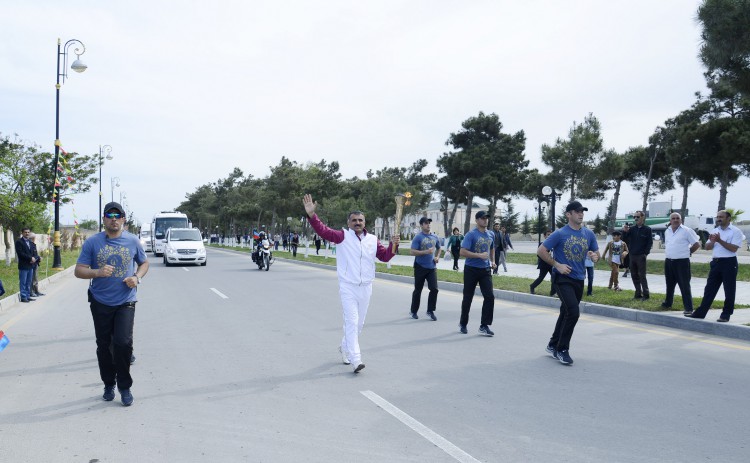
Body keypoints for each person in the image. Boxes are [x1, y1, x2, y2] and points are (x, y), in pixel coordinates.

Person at [303, 194, 399, 373]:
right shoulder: (342, 237)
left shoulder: (372, 240)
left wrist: (394, 247)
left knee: (359, 324)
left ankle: (345, 348)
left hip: (366, 287)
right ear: (348, 223)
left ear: (365, 222)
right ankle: (356, 360)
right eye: (354, 220)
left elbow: (384, 257)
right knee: (352, 322)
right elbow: (323, 231)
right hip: (348, 287)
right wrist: (312, 216)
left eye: (360, 220)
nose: (357, 222)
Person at [74, 202, 149, 406]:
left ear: (123, 219)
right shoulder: (93, 243)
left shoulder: (132, 241)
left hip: (126, 300)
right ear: (104, 219)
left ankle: (125, 387)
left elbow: (144, 263)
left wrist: (137, 277)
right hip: (100, 301)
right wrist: (97, 272)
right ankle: (109, 383)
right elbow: (79, 270)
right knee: (104, 346)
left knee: (123, 344)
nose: (114, 218)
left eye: (118, 215)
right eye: (110, 215)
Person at [538, 201, 600, 365]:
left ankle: (552, 344)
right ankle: (562, 349)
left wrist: (595, 256)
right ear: (568, 214)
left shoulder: (588, 234)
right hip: (562, 278)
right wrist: (557, 265)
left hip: (579, 279)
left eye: (582, 212)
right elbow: (541, 251)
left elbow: (596, 252)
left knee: (566, 312)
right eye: (577, 211)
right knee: (573, 312)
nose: (581, 214)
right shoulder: (560, 234)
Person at [686, 210, 745, 322]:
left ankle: (726, 314)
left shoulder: (735, 231)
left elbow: (733, 248)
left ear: (728, 219)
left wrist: (719, 240)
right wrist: (713, 242)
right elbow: (707, 247)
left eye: (721, 217)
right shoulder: (715, 230)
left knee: (729, 290)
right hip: (716, 263)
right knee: (709, 289)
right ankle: (700, 313)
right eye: (717, 217)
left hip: (729, 263)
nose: (718, 219)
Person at [459, 210, 497, 336]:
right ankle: (463, 323)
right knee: (468, 297)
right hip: (471, 269)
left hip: (485, 270)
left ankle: (484, 325)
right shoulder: (471, 235)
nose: (485, 220)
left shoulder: (491, 234)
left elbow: (491, 248)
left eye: (486, 218)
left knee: (490, 296)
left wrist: (493, 261)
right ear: (476, 220)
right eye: (482, 218)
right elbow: (462, 252)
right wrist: (478, 255)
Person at [662, 213, 701, 315]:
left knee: (684, 285)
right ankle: (668, 303)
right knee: (669, 284)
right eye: (673, 218)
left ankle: (688, 307)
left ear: (681, 219)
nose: (675, 220)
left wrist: (688, 252)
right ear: (670, 220)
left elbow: (697, 244)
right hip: (669, 261)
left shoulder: (687, 231)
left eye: (677, 218)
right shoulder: (668, 231)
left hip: (682, 262)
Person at [409, 217, 441, 321]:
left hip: (431, 267)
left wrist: (437, 257)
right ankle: (413, 311)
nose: (428, 225)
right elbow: (412, 251)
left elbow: (439, 248)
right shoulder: (418, 237)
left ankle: (430, 310)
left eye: (429, 223)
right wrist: (425, 252)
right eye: (426, 223)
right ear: (421, 225)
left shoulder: (434, 236)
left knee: (434, 289)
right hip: (420, 266)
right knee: (418, 290)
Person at [625, 211, 653, 300]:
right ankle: (637, 294)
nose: (636, 218)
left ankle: (646, 294)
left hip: (641, 255)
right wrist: (625, 231)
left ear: (642, 217)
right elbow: (625, 239)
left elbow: (649, 243)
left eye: (637, 216)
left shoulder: (647, 229)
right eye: (634, 217)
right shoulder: (632, 229)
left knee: (642, 275)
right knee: (634, 275)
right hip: (632, 255)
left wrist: (645, 253)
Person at [14, 227, 39, 303]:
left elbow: (34, 253)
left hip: (31, 265)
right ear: (22, 233)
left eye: (28, 232)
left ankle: (28, 295)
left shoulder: (30, 242)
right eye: (25, 232)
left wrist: (34, 258)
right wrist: (30, 258)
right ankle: (23, 297)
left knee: (29, 282)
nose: (27, 233)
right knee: (23, 282)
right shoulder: (19, 242)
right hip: (23, 265)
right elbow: (20, 253)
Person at [530, 229, 554, 295]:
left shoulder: (553, 244)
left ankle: (553, 292)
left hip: (551, 264)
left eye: (551, 235)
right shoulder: (542, 244)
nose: (549, 236)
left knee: (554, 278)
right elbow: (539, 254)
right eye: (548, 235)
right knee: (541, 278)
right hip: (544, 264)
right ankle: (532, 286)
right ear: (544, 236)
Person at [28, 233, 45, 297]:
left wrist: (38, 258)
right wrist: (38, 258)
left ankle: (36, 291)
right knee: (33, 279)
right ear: (33, 238)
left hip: (35, 263)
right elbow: (31, 255)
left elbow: (35, 254)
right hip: (32, 264)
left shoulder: (33, 244)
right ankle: (32, 291)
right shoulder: (30, 245)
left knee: (35, 278)